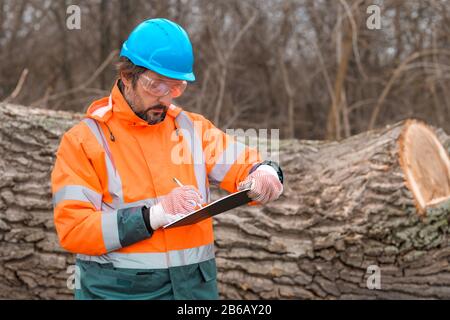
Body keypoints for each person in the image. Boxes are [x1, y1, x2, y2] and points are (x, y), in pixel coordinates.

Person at [51, 18, 283, 300]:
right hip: (119, 293)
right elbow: (74, 230)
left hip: (193, 293)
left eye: (176, 87)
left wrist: (265, 171)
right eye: (156, 85)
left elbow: (244, 163)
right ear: (127, 76)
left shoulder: (190, 129)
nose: (166, 98)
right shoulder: (84, 142)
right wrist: (153, 216)